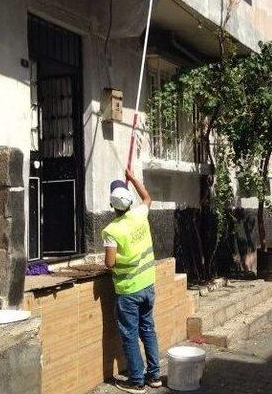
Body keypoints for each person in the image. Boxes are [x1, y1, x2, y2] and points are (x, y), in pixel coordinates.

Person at [102, 169, 161, 394]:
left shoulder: (111, 230)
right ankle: (154, 376)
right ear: (128, 200)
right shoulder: (139, 215)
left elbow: (109, 263)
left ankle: (136, 380)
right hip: (147, 285)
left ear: (112, 205)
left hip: (128, 290)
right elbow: (147, 198)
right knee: (148, 329)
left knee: (129, 334)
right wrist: (134, 178)